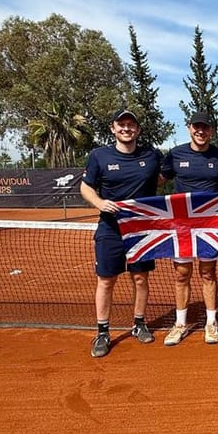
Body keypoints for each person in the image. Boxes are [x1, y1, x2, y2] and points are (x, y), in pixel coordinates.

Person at [79, 109, 162, 358]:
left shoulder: (152, 155)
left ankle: (139, 324)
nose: (127, 128)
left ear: (138, 129)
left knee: (140, 278)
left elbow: (162, 179)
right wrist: (99, 203)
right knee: (106, 280)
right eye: (122, 124)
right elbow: (86, 187)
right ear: (113, 128)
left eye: (131, 125)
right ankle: (103, 332)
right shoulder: (99, 156)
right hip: (110, 229)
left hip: (141, 229)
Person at [159, 111, 218, 346]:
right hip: (181, 225)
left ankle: (211, 322)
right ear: (189, 128)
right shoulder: (175, 154)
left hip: (208, 225)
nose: (201, 131)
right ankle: (180, 324)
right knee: (182, 275)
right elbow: (158, 179)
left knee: (208, 273)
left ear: (211, 131)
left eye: (205, 127)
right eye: (196, 127)